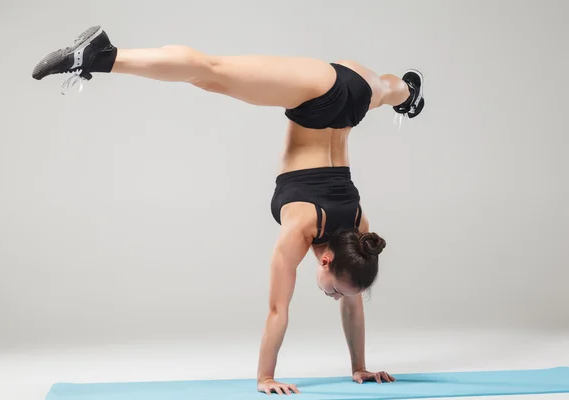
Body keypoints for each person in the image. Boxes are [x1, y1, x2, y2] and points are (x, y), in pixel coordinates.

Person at [32, 26, 424, 395]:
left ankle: (408, 92)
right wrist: (265, 377)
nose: (338, 298)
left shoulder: (358, 230)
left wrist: (360, 368)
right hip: (318, 96)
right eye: (335, 291)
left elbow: (354, 302)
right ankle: (101, 55)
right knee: (210, 73)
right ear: (324, 260)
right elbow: (277, 311)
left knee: (388, 89)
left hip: (357, 94)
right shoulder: (301, 227)